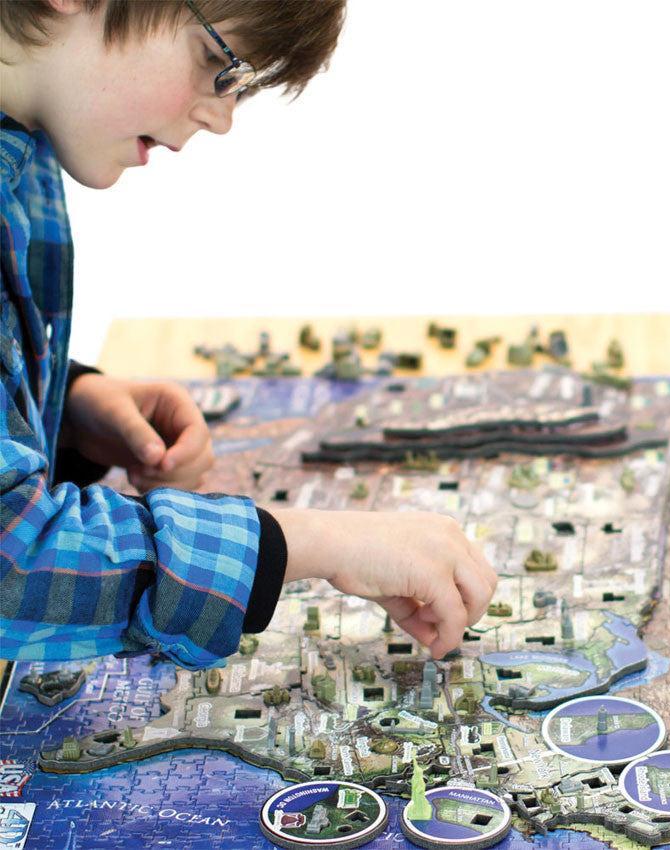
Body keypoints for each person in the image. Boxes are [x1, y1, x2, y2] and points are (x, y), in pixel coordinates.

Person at [1, 0, 497, 670]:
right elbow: (13, 564)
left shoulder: (23, 145)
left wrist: (67, 413)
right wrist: (312, 543)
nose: (221, 118)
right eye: (216, 63)